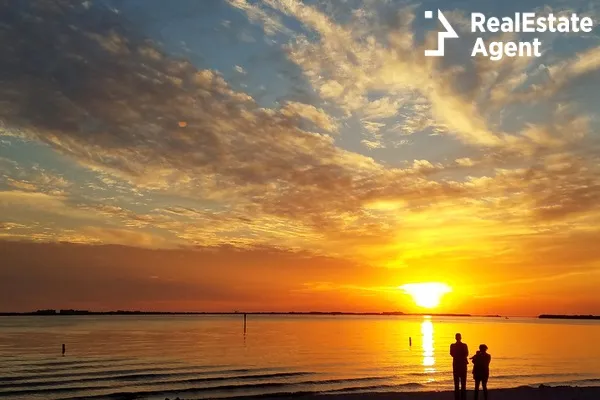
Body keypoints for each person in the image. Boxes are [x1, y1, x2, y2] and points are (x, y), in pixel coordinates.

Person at [450, 333, 469, 400]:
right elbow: (466, 354)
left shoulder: (454, 345)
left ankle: (459, 398)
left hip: (458, 365)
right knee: (461, 384)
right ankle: (461, 397)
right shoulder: (462, 345)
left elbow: (452, 354)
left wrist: (458, 356)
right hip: (460, 365)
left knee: (458, 384)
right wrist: (461, 356)